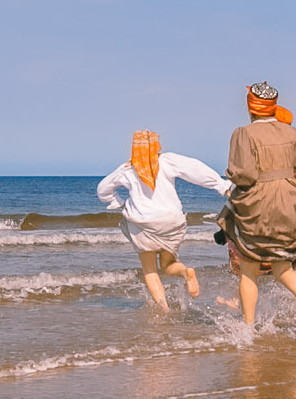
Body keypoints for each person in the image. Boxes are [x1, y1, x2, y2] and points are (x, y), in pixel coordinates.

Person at [218, 82, 296, 342]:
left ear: (251, 108)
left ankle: (248, 328)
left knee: (249, 267)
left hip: (257, 203)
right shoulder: (291, 132)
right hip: (288, 202)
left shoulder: (243, 133)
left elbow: (244, 174)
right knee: (283, 265)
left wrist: (231, 179)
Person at [95, 130, 232, 310]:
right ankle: (185, 272)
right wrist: (222, 186)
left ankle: (164, 309)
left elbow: (102, 189)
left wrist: (118, 203)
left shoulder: (127, 169)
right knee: (169, 264)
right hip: (171, 221)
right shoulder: (167, 161)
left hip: (143, 225)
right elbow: (195, 170)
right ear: (156, 146)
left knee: (150, 270)